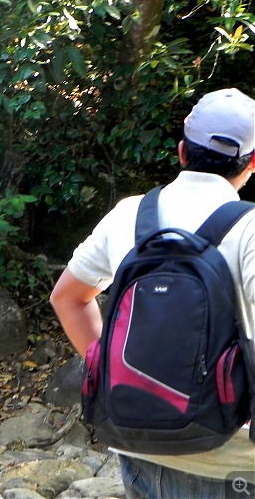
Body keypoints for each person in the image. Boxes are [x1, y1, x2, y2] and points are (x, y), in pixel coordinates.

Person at [50, 88, 255, 498]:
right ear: (252, 163)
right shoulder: (250, 228)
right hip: (229, 459)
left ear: (182, 152)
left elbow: (68, 298)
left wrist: (109, 373)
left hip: (138, 445)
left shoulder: (130, 212)